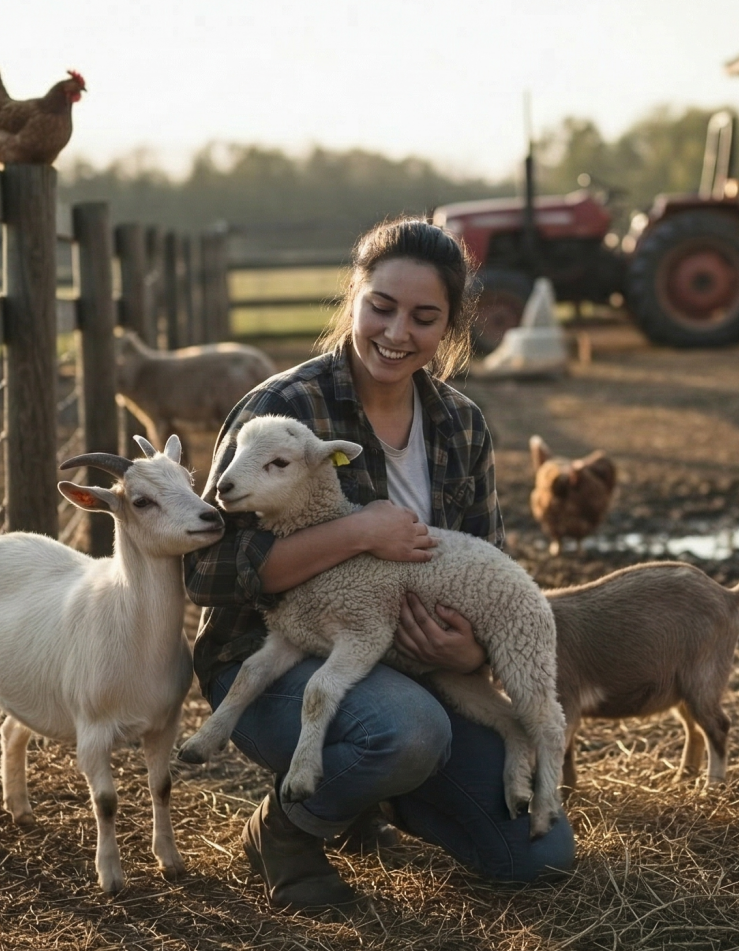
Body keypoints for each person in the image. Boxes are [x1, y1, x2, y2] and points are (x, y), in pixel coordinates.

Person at [184, 218, 575, 912]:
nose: (396, 333)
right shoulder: (284, 409)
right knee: (405, 729)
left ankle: (372, 788)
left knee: (535, 859)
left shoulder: (462, 424)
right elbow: (206, 572)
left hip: (424, 668)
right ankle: (285, 831)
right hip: (274, 653)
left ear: (449, 326)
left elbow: (490, 562)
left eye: (424, 317)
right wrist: (359, 531)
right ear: (354, 299)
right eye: (381, 307)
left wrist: (471, 648)